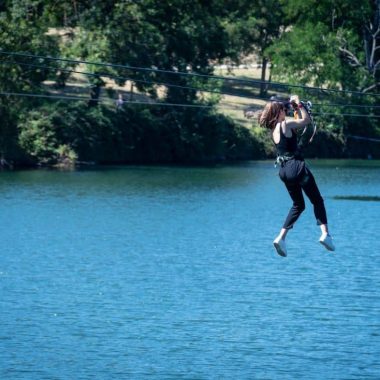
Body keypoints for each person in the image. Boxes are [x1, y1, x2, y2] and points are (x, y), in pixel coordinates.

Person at [258, 95, 335, 257]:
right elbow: (306, 121)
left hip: (284, 171)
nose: (286, 112)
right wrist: (299, 104)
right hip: (297, 168)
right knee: (317, 200)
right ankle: (325, 235)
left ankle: (281, 238)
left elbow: (298, 122)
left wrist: (296, 108)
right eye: (284, 110)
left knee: (298, 205)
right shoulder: (285, 124)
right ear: (278, 112)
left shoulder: (274, 131)